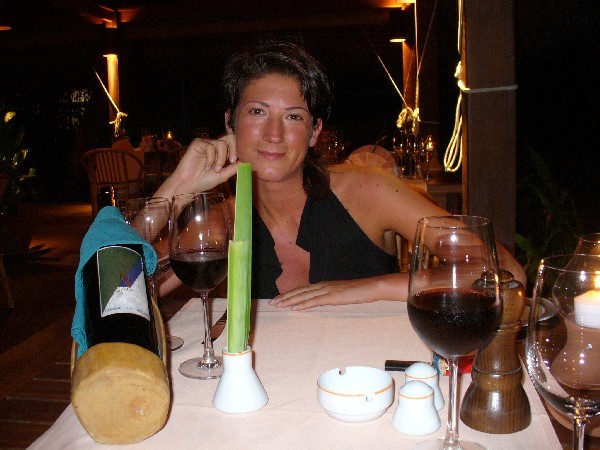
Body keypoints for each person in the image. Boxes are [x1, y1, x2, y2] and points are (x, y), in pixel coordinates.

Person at [155, 39, 526, 310]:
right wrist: (176, 188)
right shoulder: (222, 220)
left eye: (294, 117)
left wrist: (372, 288)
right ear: (230, 122)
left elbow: (505, 273)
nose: (274, 134)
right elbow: (128, 288)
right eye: (257, 112)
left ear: (314, 131)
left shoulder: (366, 191)